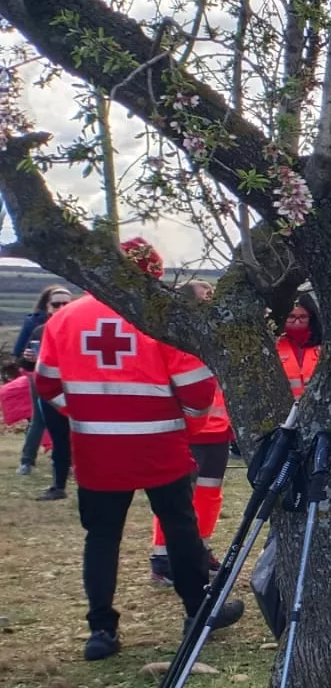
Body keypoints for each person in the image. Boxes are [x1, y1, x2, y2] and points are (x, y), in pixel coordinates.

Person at [36, 238, 242, 660]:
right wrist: (189, 426)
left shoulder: (66, 317)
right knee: (181, 528)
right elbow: (196, 388)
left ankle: (101, 631)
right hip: (160, 443)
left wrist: (87, 416)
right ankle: (197, 612)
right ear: (152, 273)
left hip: (95, 447)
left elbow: (47, 383)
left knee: (101, 537)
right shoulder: (158, 314)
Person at [150, 328, 232, 588]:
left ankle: (200, 549)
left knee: (209, 494)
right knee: (176, 496)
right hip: (184, 428)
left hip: (217, 429)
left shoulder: (223, 336)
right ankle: (163, 556)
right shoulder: (174, 338)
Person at [17, 284, 71, 490]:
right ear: (48, 307)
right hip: (44, 381)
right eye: (56, 304)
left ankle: (69, 464)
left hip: (70, 381)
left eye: (66, 303)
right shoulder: (40, 330)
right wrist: (28, 358)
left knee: (72, 422)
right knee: (39, 420)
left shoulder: (78, 329)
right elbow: (24, 362)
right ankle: (26, 461)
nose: (61, 307)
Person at [276, 293, 322, 399]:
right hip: (286, 408)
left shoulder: (324, 347)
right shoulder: (275, 347)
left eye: (302, 317)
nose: (297, 322)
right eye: (291, 317)